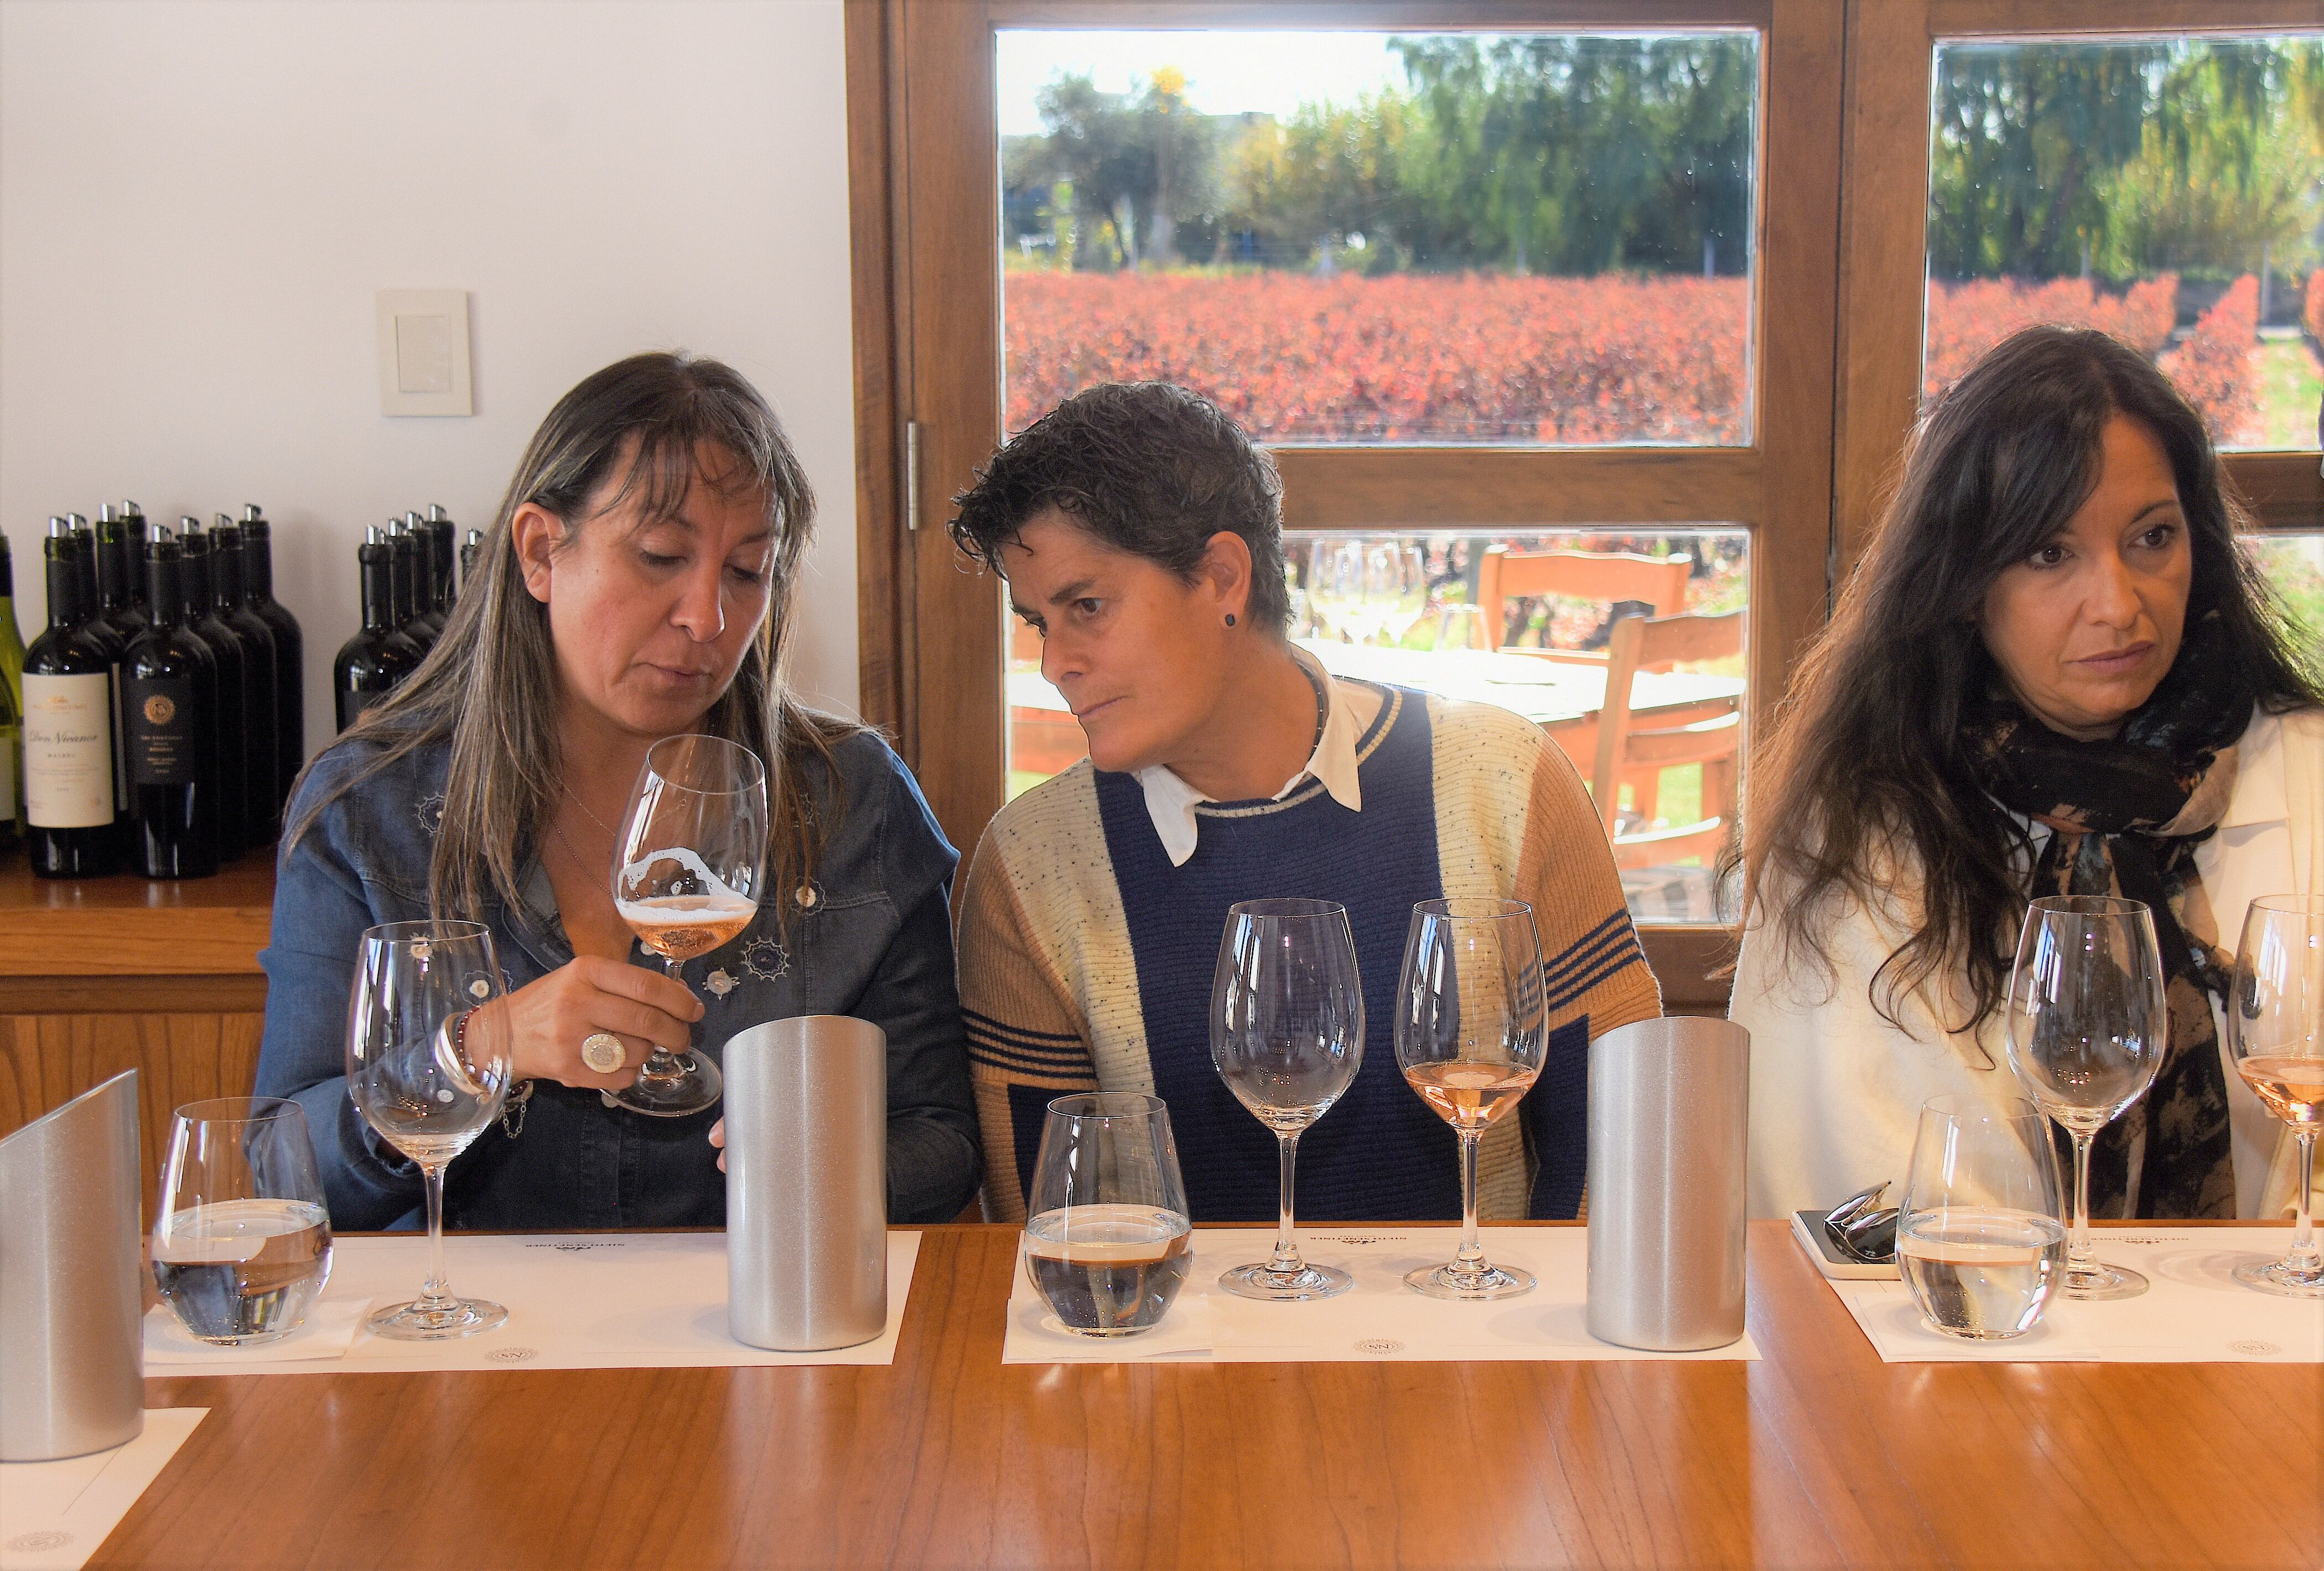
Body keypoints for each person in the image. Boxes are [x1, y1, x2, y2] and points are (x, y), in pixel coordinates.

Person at [256, 352, 979, 1230]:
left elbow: (941, 1140)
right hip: (472, 1347)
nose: (707, 618)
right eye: (661, 556)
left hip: (761, 1333)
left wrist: (823, 1174)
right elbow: (279, 1175)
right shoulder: (367, 810)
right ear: (538, 552)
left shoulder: (851, 800)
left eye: (748, 571)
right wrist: (483, 1050)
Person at [948, 381, 1661, 1224]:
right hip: (1172, 1353)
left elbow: (1619, 1158)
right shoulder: (1030, 867)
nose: (1054, 662)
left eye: (1087, 608)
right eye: (1039, 622)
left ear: (1222, 578)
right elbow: (1050, 1228)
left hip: (1483, 1344)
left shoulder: (1506, 781)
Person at [1731, 326, 2323, 1222]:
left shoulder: (2305, 771)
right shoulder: (1860, 829)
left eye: (2153, 538)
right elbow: (1885, 1203)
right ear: (1965, 582)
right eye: (2051, 554)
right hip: (1971, 1347)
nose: (2120, 605)